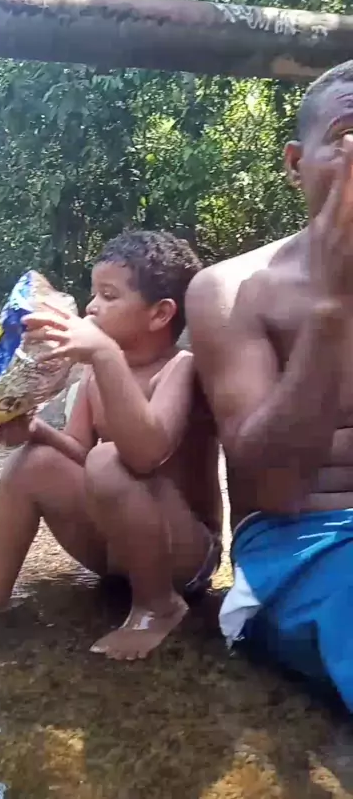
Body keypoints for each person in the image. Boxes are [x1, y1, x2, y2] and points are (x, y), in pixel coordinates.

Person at [0, 230, 222, 660]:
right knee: (33, 462)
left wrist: (105, 355)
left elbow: (147, 455)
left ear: (160, 314)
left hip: (183, 557)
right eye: (94, 293)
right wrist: (35, 430)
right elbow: (78, 451)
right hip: (116, 553)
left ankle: (158, 607)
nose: (91, 306)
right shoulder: (94, 374)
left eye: (108, 295)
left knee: (110, 459)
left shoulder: (180, 368)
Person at [186, 60, 353, 710]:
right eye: (348, 137)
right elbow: (278, 489)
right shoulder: (231, 290)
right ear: (294, 163)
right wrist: (332, 305)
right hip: (305, 545)